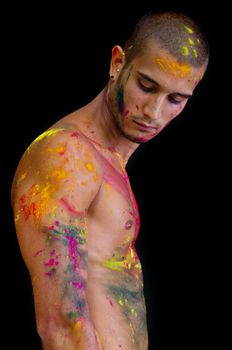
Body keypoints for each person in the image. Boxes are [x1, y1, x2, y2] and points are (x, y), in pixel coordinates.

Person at [11, 11, 209, 350]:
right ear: (118, 63)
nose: (154, 111)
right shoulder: (68, 157)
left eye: (175, 100)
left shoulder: (107, 162)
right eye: (146, 86)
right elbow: (61, 321)